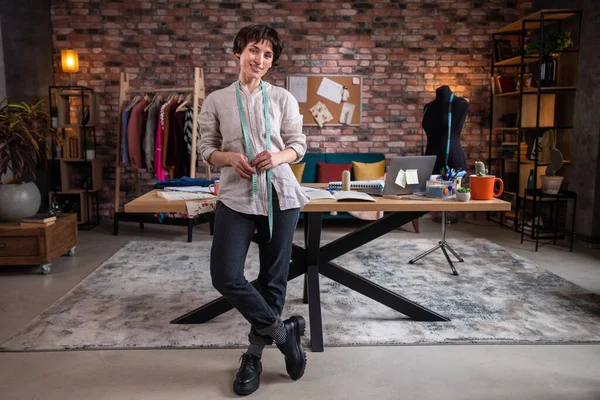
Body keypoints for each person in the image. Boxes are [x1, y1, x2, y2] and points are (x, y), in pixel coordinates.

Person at [198, 24, 310, 396]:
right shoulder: (216, 100)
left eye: (267, 55)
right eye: (253, 50)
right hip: (236, 196)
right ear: (238, 52)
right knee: (225, 275)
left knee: (273, 280)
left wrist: (278, 155)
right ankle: (283, 333)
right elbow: (206, 149)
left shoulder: (282, 99)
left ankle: (253, 356)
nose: (259, 59)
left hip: (281, 194)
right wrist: (228, 157)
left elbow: (298, 144)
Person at [423, 85, 468, 175]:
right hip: (431, 162)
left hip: (451, 160)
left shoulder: (460, 103)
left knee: (453, 189)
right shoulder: (428, 107)